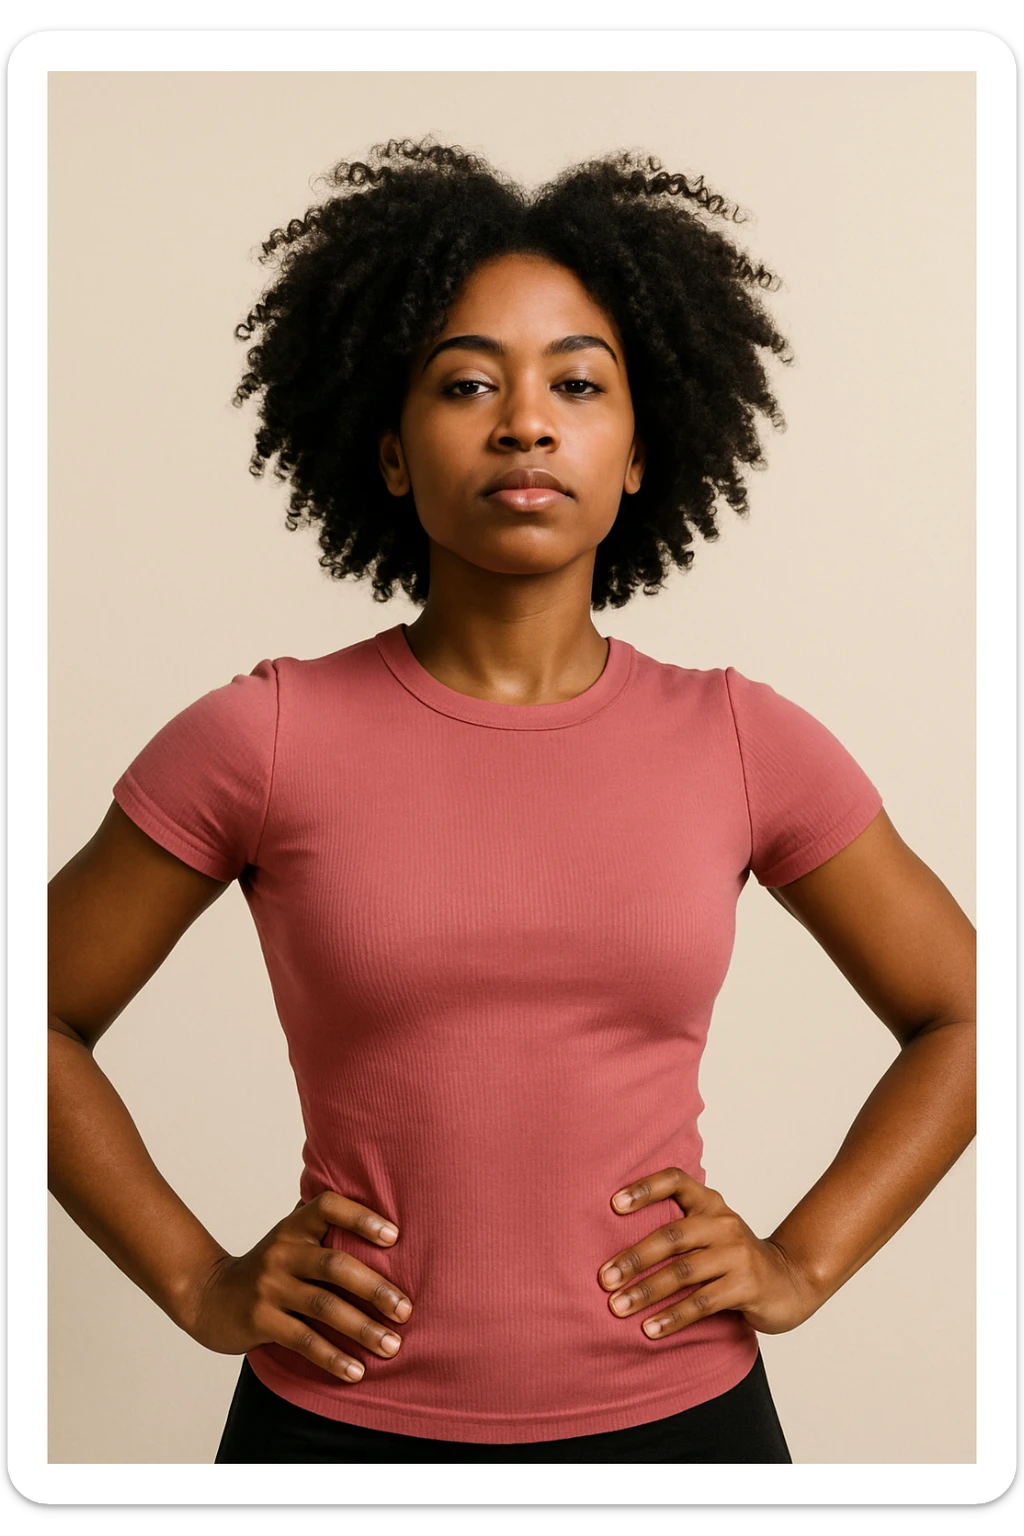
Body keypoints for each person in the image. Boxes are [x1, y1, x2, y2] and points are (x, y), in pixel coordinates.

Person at [47, 138, 976, 1466]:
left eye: (578, 384)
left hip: (683, 1429)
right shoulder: (265, 735)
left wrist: (805, 1260)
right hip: (335, 1429)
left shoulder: (737, 737)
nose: (525, 422)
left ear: (641, 453)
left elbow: (967, 1013)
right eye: (467, 382)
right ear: (389, 452)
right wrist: (197, 1281)